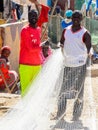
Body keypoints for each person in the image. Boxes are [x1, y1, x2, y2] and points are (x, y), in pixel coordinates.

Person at [53, 10, 91, 120]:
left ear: (81, 19)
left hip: (80, 66)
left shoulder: (85, 33)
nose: (76, 19)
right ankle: (60, 113)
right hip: (67, 65)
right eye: (74, 17)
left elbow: (88, 48)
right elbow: (62, 42)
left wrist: (88, 58)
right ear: (71, 18)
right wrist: (61, 48)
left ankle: (76, 115)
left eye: (78, 17)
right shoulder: (66, 31)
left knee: (79, 91)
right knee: (63, 90)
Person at [19, 0, 50, 97]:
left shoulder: (39, 29)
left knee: (36, 91)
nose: (33, 18)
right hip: (26, 64)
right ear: (28, 18)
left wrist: (44, 48)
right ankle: (26, 110)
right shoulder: (25, 30)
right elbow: (31, 48)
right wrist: (42, 45)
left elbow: (38, 47)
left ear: (37, 18)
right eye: (31, 16)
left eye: (35, 16)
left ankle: (34, 111)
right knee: (26, 91)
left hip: (37, 64)